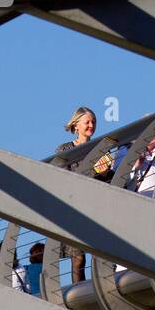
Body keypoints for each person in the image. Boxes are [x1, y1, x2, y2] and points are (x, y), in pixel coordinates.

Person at [56, 108, 113, 281]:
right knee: (78, 258)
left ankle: (100, 289)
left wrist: (104, 174)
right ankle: (78, 294)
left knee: (101, 253)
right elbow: (61, 176)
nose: (91, 125)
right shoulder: (64, 149)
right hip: (74, 206)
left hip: (95, 205)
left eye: (93, 122)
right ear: (76, 125)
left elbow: (110, 180)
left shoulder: (101, 148)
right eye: (87, 122)